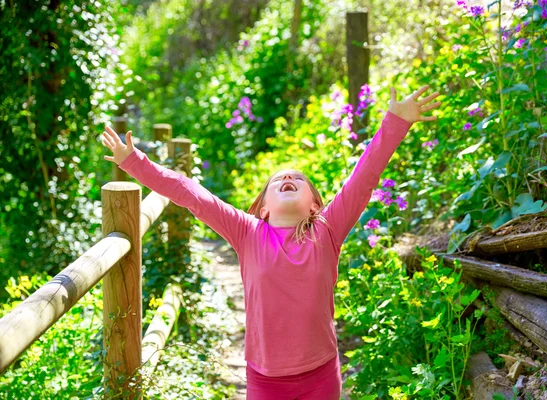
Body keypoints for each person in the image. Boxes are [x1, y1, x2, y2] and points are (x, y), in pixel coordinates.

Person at [101, 84, 441, 399]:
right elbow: (192, 194)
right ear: (263, 206)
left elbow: (364, 177)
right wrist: (134, 162)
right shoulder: (247, 232)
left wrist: (396, 121)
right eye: (279, 179)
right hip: (264, 379)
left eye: (298, 178)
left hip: (321, 374)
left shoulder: (328, 229)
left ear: (314, 204)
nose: (289, 177)